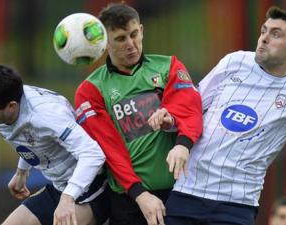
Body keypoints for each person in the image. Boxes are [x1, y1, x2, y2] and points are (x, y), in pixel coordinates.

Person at [164, 6, 286, 225]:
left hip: (235, 207)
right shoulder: (234, 62)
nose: (264, 39)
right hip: (186, 192)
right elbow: (194, 108)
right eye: (264, 31)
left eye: (276, 34)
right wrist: (171, 120)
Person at [74, 3, 203, 225]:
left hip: (180, 193)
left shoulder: (168, 66)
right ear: (105, 43)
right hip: (130, 200)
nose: (131, 44)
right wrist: (139, 194)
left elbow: (189, 109)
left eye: (134, 35)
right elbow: (110, 149)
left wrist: (181, 141)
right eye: (121, 39)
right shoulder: (90, 90)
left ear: (142, 31)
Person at [0, 64, 109, 225]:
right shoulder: (8, 103)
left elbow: (93, 154)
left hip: (92, 186)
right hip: (60, 187)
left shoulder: (46, 116)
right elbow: (33, 138)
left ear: (11, 106)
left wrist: (68, 198)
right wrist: (22, 172)